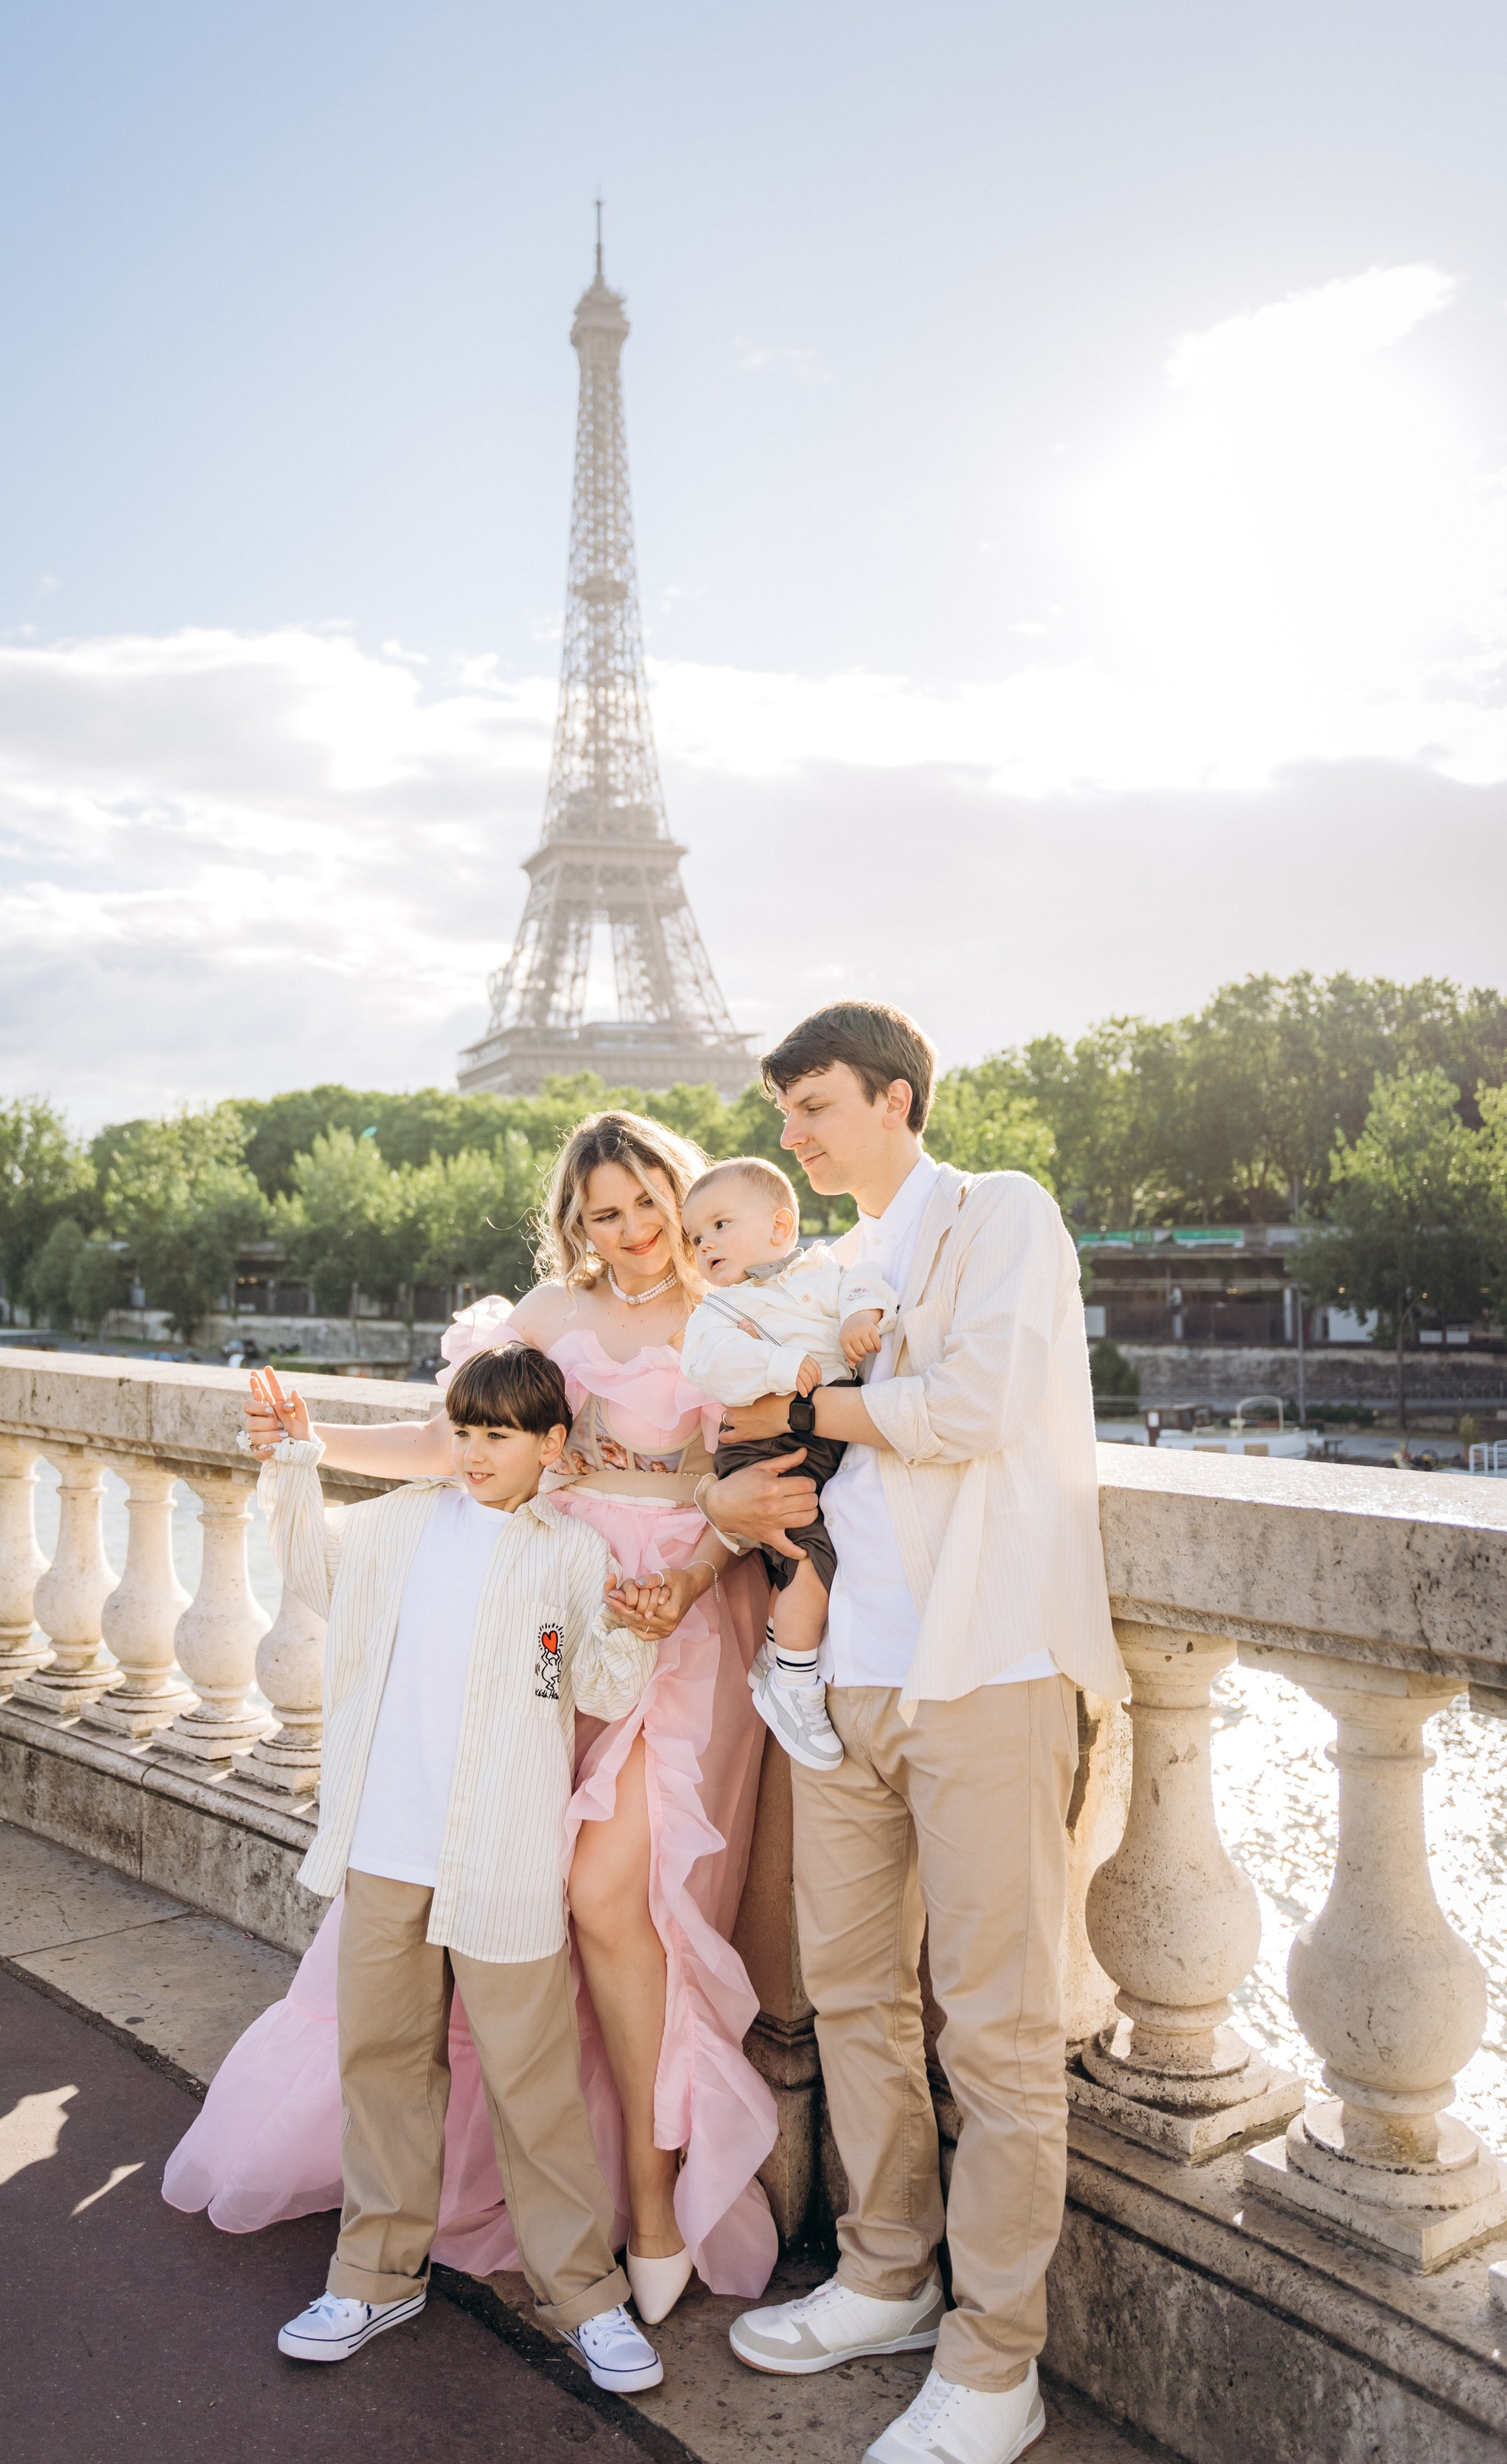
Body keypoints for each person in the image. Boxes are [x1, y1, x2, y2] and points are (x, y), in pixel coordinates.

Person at [187, 1108, 779, 2325]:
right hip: (546, 1597)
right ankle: (497, 2195)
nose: (630, 1231)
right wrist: (314, 1436)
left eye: (647, 1202)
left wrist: (694, 1576)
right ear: (577, 1221)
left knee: (612, 1898)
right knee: (506, 1874)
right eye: (601, 1212)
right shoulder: (554, 1321)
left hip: (677, 1621)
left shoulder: (736, 1318)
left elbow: (755, 1486)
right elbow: (462, 1436)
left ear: (681, 1192)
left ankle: (653, 2208)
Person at [708, 1001, 1130, 2464]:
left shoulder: (1001, 1214)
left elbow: (979, 1404)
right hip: (850, 1683)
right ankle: (886, 2270)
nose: (792, 1135)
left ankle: (995, 2360)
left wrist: (819, 1401)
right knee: (853, 1997)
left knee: (1000, 2036)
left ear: (895, 1097)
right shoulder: (827, 1266)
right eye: (783, 1113)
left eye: (814, 1105)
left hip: (985, 1670)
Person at [176, 1340, 666, 2394]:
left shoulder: (571, 1557)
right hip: (386, 1844)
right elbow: (306, 1567)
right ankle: (375, 2275)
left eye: (499, 1435)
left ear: (551, 1446)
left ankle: (586, 2295)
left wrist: (634, 1634)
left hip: (503, 1856)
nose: (476, 1452)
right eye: (463, 1431)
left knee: (533, 2082)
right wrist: (296, 1458)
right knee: (386, 2068)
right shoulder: (395, 1525)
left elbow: (602, 1690)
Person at [678, 1155, 896, 1772]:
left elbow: (867, 1282)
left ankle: (782, 1652)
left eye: (720, 1225)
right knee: (809, 1557)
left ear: (779, 1227)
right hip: (762, 1448)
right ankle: (792, 1681)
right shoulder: (718, 1311)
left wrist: (861, 1315)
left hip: (825, 1439)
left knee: (831, 1546)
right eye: (696, 1237)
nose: (704, 1244)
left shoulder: (826, 1273)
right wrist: (776, 1370)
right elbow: (707, 1365)